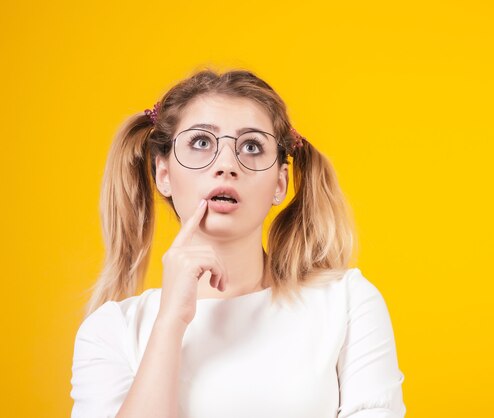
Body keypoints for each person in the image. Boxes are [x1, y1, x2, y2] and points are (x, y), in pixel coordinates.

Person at [70, 69, 406, 418]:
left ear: (280, 184)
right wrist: (171, 321)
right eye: (201, 142)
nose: (227, 165)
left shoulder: (347, 303)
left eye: (251, 146)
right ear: (164, 174)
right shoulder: (113, 330)